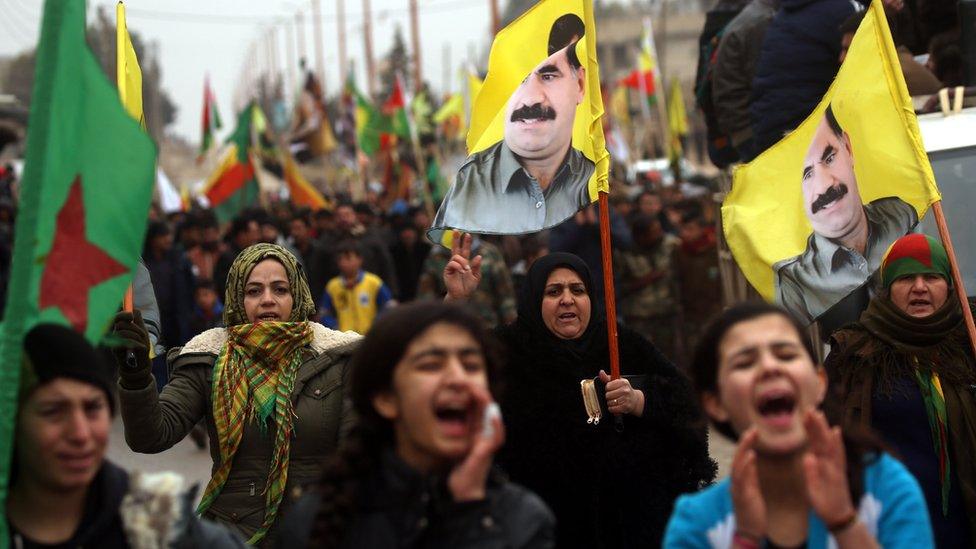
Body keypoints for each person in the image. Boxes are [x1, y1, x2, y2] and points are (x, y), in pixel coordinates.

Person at [445, 234, 716, 547]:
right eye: (553, 291)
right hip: (543, 526)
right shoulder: (506, 351)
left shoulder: (620, 343)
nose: (567, 299)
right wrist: (456, 302)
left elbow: (689, 404)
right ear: (533, 300)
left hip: (629, 527)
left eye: (578, 290)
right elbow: (447, 369)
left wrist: (639, 399)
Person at [111, 243, 361, 546]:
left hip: (315, 532)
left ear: (297, 295)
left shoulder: (337, 358)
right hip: (234, 537)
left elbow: (359, 457)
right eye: (254, 291)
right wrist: (135, 373)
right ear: (236, 299)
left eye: (280, 289)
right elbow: (150, 437)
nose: (267, 300)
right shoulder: (208, 358)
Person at [276, 302, 555, 548]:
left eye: (471, 365)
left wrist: (469, 512)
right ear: (385, 398)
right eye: (431, 365)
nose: (458, 378)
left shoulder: (521, 519)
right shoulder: (317, 520)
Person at [665, 302, 934, 548]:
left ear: (819, 382)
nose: (769, 367)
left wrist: (844, 523)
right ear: (715, 403)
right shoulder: (698, 522)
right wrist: (745, 539)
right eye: (745, 362)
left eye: (785, 355)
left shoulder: (884, 488)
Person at [7, 323, 245, 548]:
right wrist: (136, 377)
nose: (80, 433)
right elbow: (154, 432)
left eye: (92, 408)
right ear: (13, 420)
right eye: (53, 411)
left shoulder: (155, 525)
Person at [825, 234, 976, 546]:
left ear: (949, 285)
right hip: (889, 528)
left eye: (931, 277)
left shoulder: (969, 342)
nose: (919, 287)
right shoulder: (854, 352)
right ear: (887, 288)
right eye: (906, 277)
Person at [429, 14, 594, 239]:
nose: (532, 99)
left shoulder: (593, 177)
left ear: (580, 84)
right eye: (521, 84)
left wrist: (593, 225)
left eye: (549, 76)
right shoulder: (476, 180)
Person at [773, 105, 918, 325]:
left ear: (848, 148)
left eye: (829, 158)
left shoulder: (902, 216)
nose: (824, 186)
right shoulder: (795, 284)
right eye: (807, 175)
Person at [749, 0, 860, 154]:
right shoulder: (840, 10)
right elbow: (858, 66)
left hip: (768, 127)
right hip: (806, 129)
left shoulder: (783, 14)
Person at [711, 0, 779, 162]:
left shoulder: (753, 17)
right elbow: (763, 80)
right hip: (750, 129)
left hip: (742, 126)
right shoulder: (760, 23)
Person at [320, 240, 395, 334]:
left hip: (369, 337)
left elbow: (388, 306)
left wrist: (376, 325)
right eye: (340, 259)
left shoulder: (373, 282)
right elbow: (324, 313)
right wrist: (335, 328)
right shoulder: (333, 286)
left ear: (360, 259)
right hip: (344, 339)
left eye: (348, 258)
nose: (343, 263)